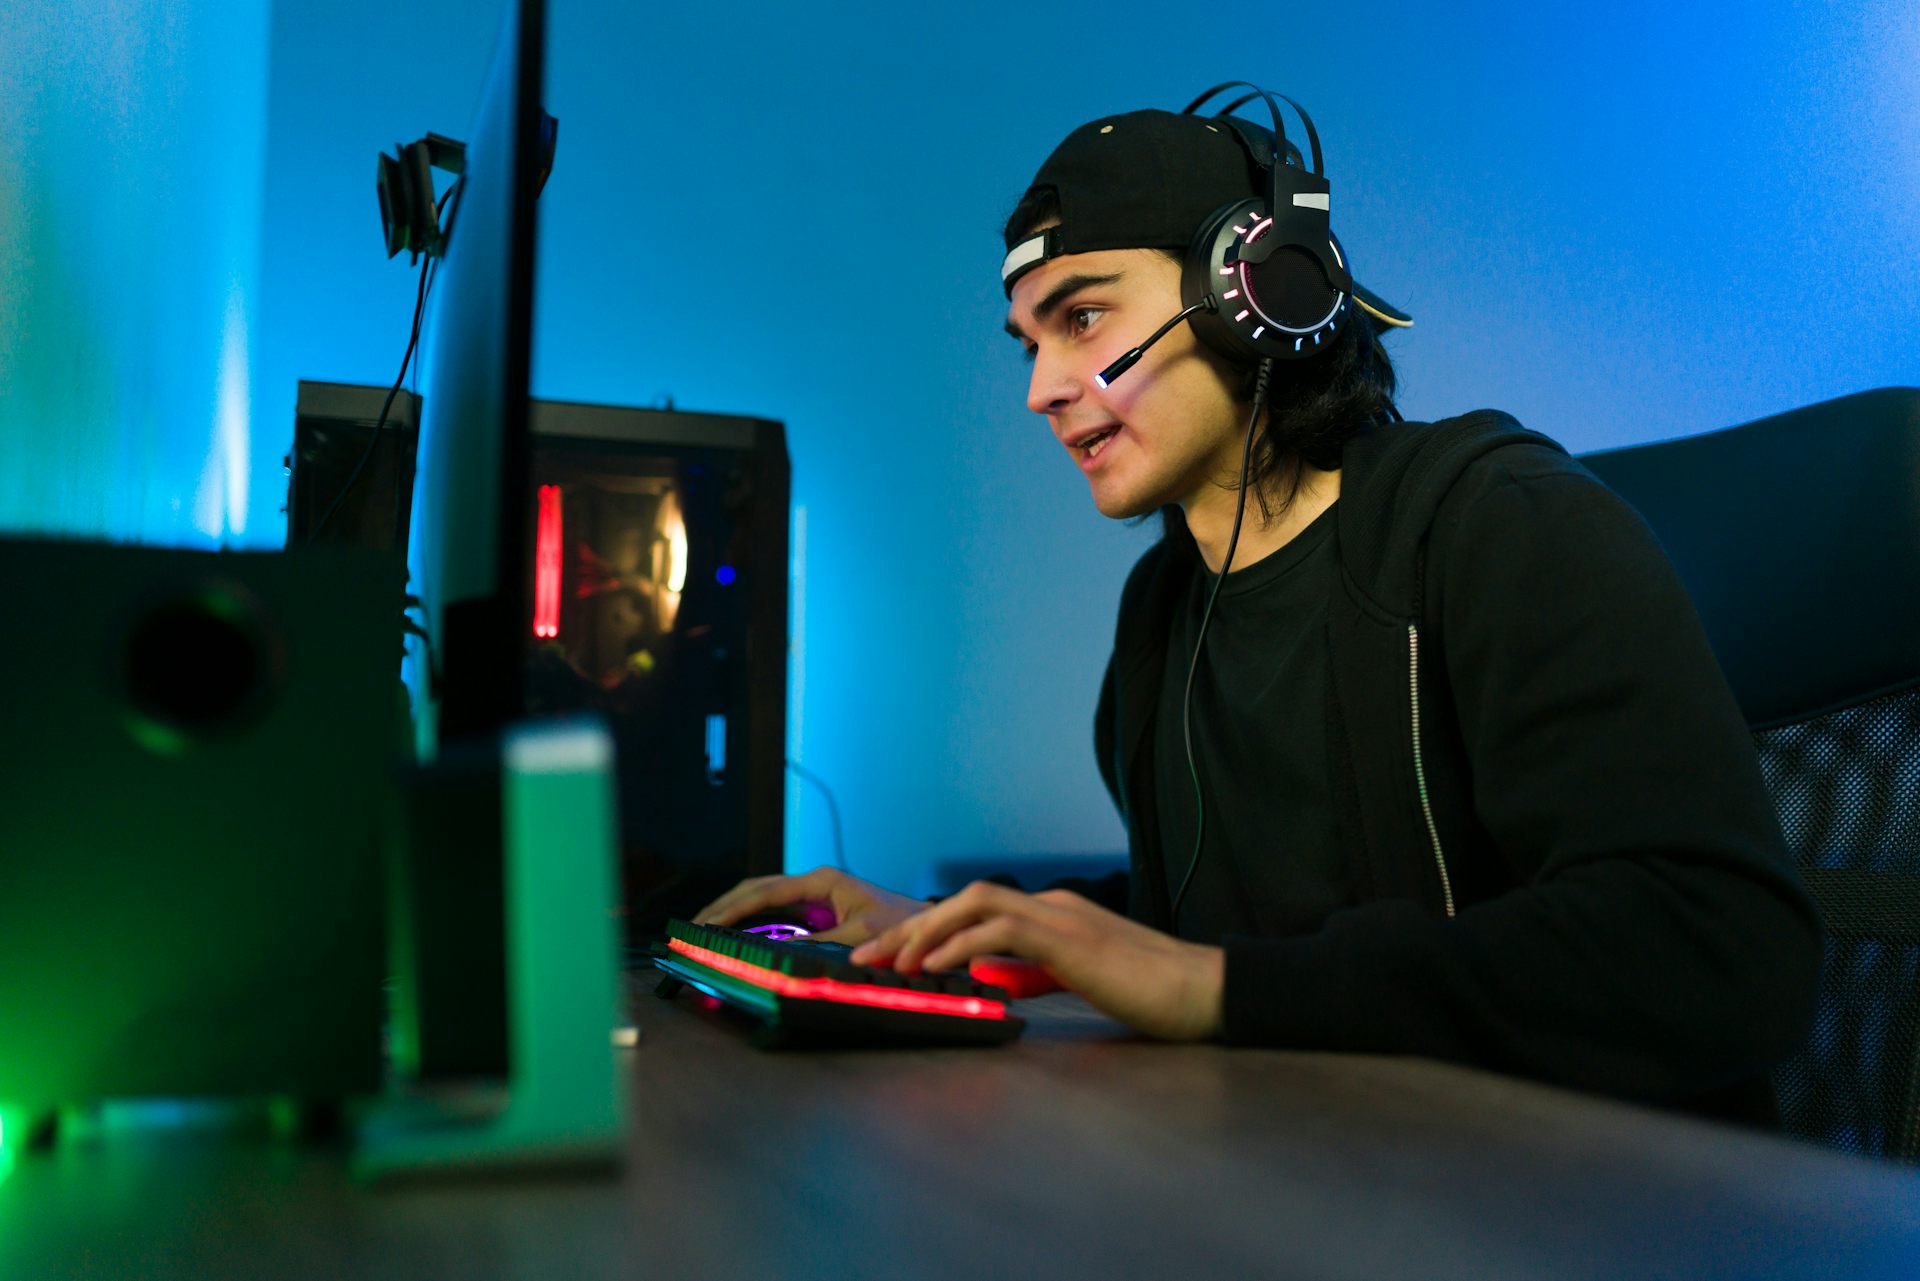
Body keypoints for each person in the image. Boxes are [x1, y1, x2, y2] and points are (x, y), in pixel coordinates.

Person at [698, 87, 1821, 1123]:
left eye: (1081, 318)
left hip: (1579, 1199)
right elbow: (1241, 929)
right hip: (1332, 1172)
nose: (1039, 389)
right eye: (1029, 343)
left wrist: (1211, 986)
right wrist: (978, 929)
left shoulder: (1499, 527)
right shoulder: (1162, 613)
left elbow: (1719, 952)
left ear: (1263, 291)